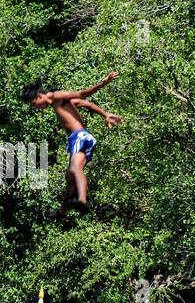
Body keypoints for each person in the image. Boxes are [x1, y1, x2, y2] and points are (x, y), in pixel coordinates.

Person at [21, 71, 123, 217]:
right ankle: (62, 212)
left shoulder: (56, 96)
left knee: (75, 169)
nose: (35, 107)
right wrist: (105, 114)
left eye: (33, 104)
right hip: (78, 138)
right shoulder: (60, 104)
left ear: (39, 96)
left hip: (80, 136)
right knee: (70, 177)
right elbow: (84, 103)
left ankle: (82, 200)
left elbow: (82, 94)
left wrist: (103, 83)